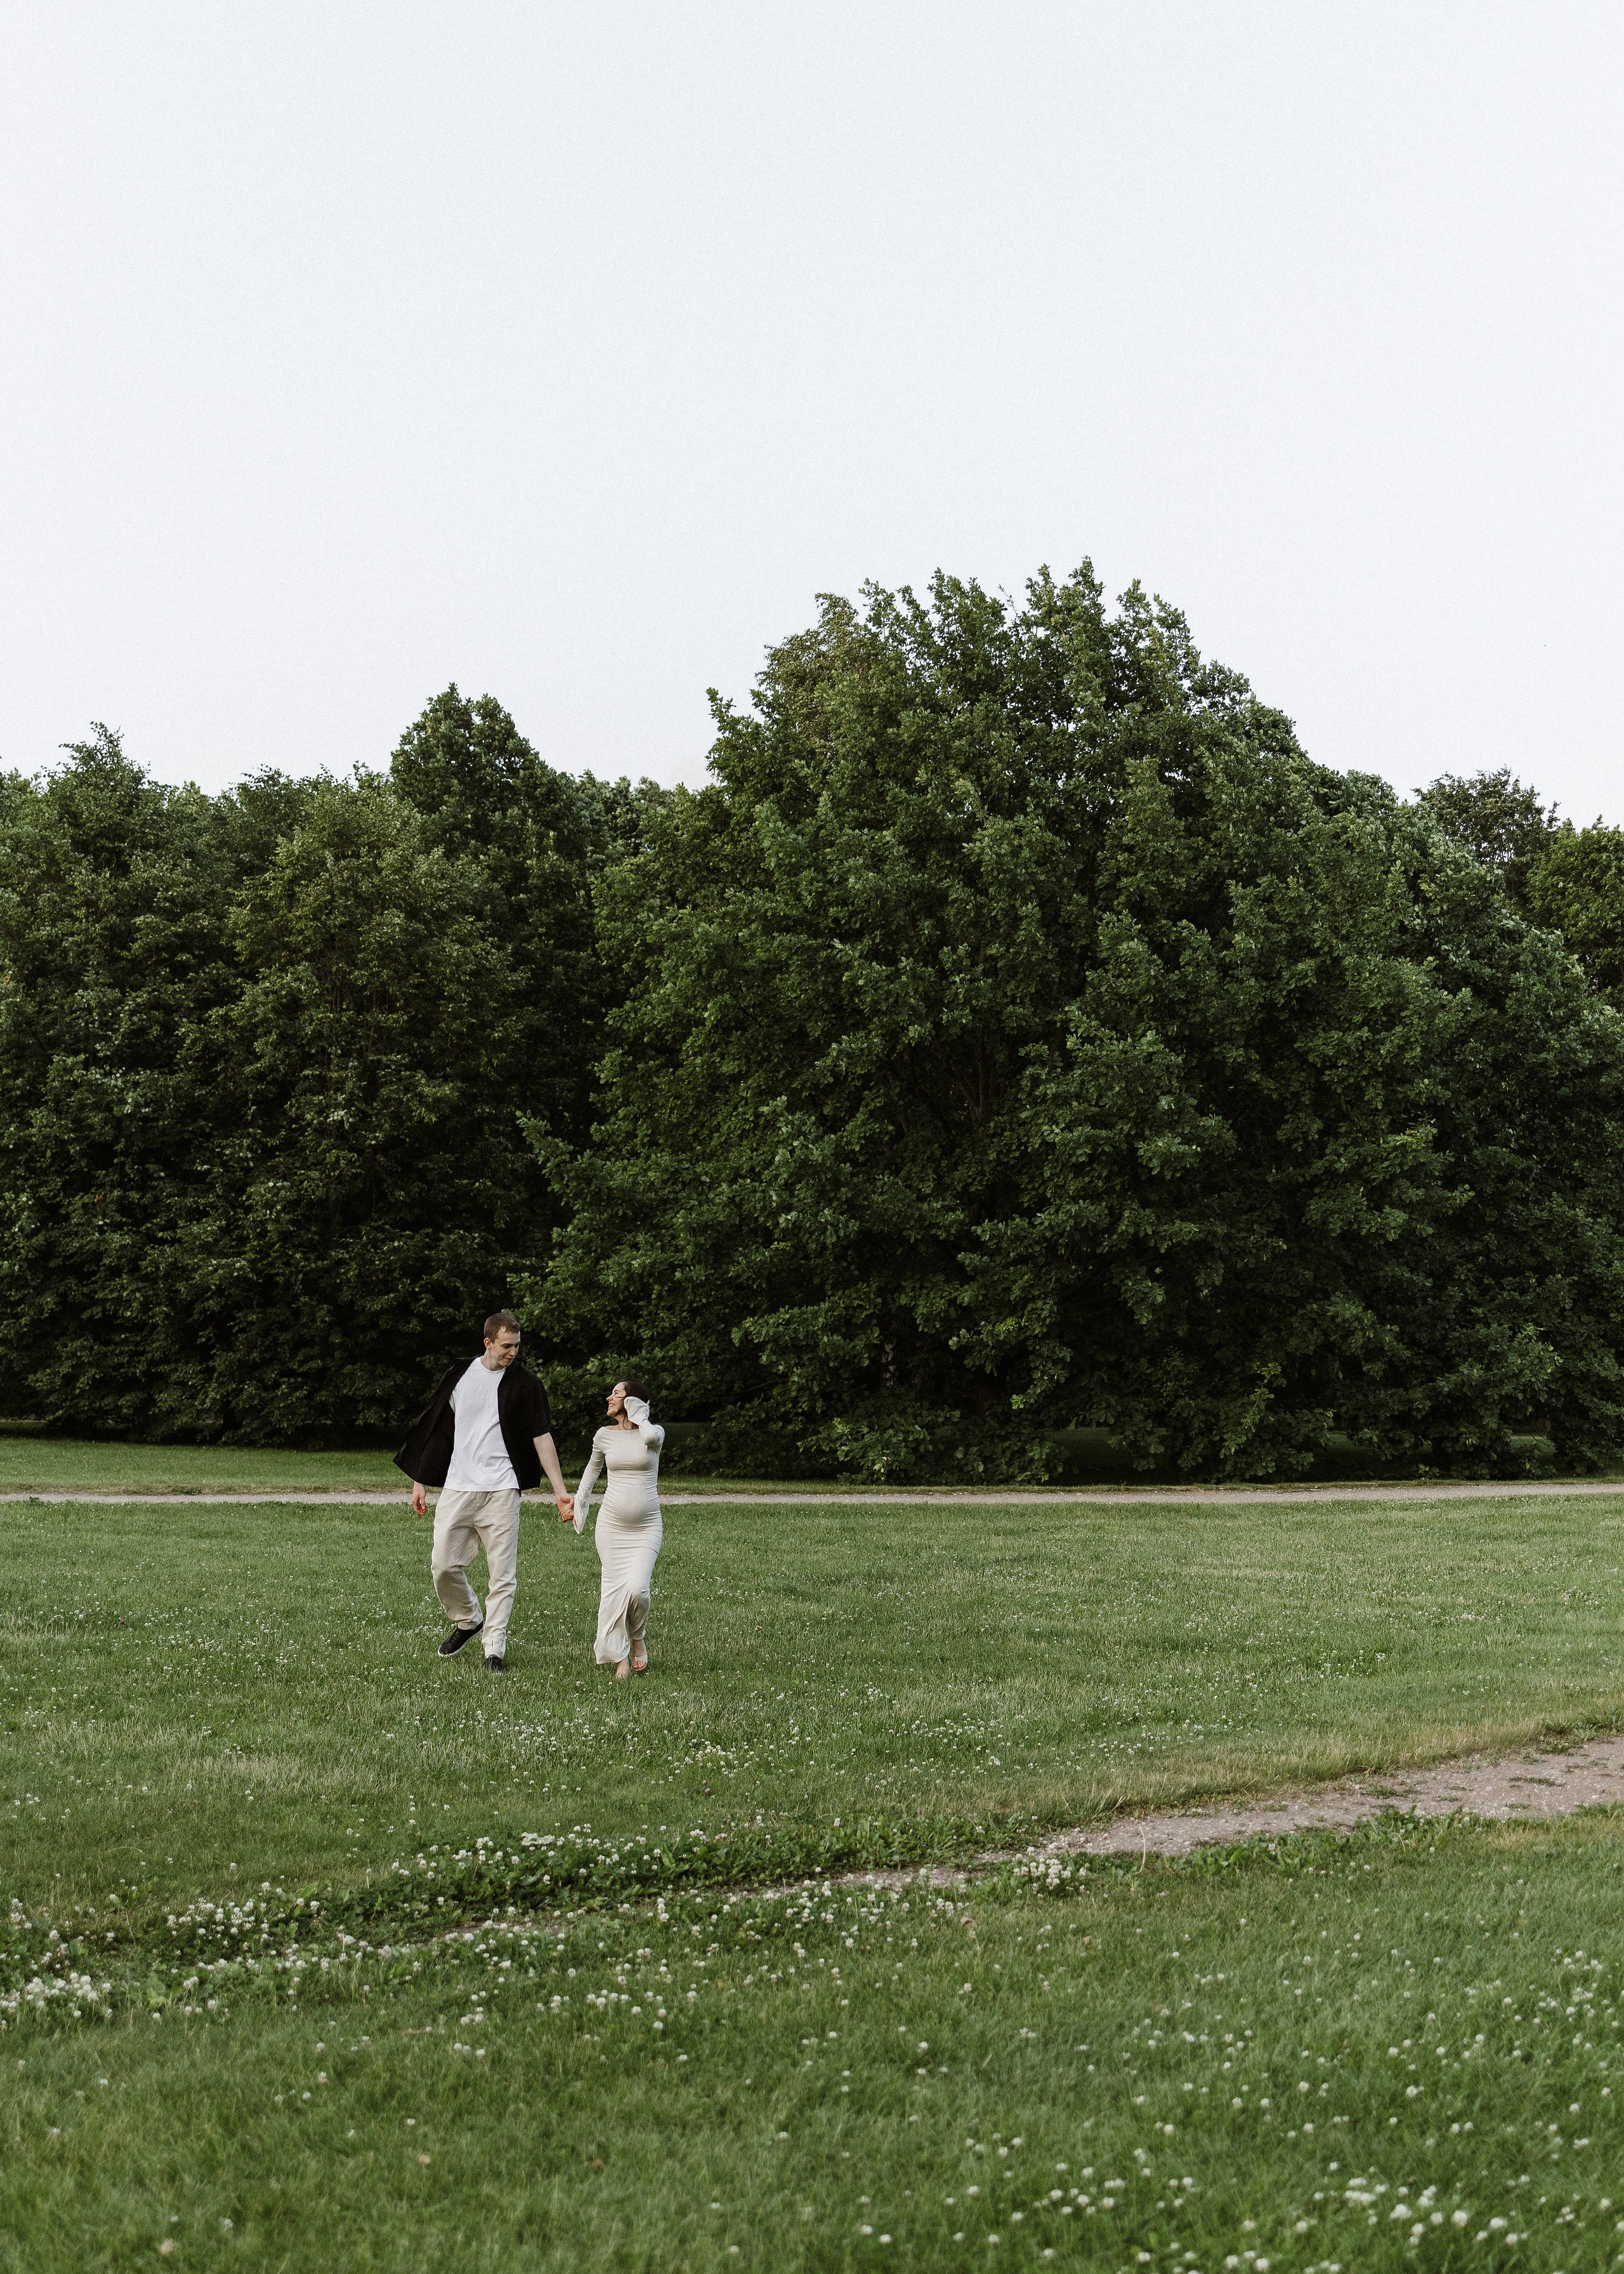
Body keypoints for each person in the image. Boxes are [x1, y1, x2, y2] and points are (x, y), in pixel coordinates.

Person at [394, 1310, 572, 1671]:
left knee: (502, 1573)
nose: (513, 1353)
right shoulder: (459, 1375)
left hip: (502, 1489)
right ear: (488, 1343)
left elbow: (542, 1436)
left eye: (517, 1346)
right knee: (442, 1565)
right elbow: (437, 1430)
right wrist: (420, 1480)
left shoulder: (526, 1383)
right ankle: (468, 1618)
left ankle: (495, 1649)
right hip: (458, 1486)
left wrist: (560, 1491)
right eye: (506, 1346)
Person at [569, 1377, 665, 1679]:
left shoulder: (655, 1433)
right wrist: (578, 1503)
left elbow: (648, 1437)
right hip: (611, 1527)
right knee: (613, 1592)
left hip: (647, 1528)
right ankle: (619, 1656)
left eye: (616, 1394)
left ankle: (637, 1636)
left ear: (633, 1402)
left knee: (638, 1590)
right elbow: (591, 1471)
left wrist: (640, 1413)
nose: (609, 1398)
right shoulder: (604, 1436)